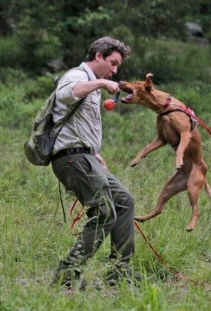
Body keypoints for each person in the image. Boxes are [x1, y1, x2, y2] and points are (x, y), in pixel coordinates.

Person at [50, 37, 140, 290]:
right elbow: (65, 94)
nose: (115, 70)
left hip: (85, 156)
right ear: (98, 56)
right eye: (113, 63)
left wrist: (93, 150)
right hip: (72, 159)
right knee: (103, 212)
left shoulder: (90, 85)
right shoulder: (77, 75)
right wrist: (100, 82)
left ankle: (119, 273)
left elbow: (76, 122)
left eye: (117, 66)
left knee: (124, 201)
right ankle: (65, 277)